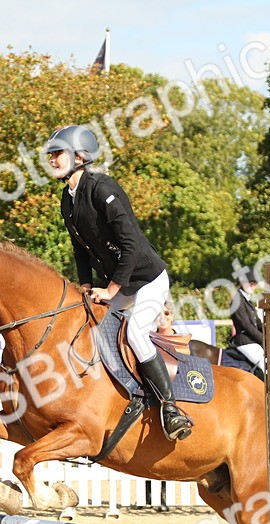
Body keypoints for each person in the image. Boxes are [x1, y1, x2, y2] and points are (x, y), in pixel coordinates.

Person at [44, 124, 193, 441]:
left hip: (146, 279)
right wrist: (85, 284)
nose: (52, 159)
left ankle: (170, 408)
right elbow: (79, 249)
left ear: (80, 156)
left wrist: (111, 290)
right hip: (118, 284)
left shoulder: (102, 187)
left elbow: (132, 245)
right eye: (51, 154)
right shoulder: (67, 199)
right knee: (91, 331)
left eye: (58, 153)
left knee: (137, 333)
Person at [229, 267, 266, 375]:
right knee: (265, 364)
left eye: (254, 283)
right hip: (245, 341)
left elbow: (258, 322)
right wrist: (262, 338)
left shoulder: (247, 300)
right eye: (250, 283)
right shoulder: (237, 300)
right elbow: (246, 325)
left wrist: (268, 333)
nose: (252, 286)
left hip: (252, 340)